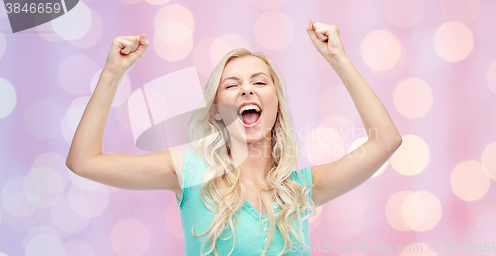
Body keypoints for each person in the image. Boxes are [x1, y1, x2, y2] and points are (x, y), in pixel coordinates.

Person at [66, 19, 402, 256]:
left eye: (258, 82)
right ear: (217, 111)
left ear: (276, 106)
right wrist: (111, 74)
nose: (245, 89)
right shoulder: (190, 173)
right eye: (231, 85)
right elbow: (84, 161)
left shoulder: (300, 190)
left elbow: (385, 141)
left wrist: (337, 59)